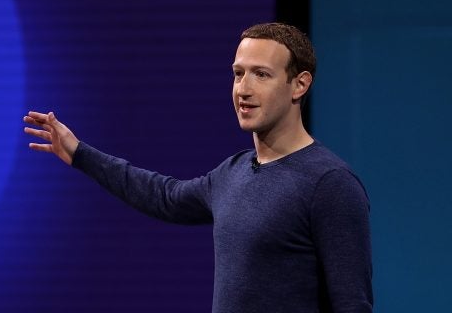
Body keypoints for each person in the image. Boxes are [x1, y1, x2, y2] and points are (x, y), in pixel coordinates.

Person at [23, 23, 373, 313]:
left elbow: (352, 305)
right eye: (238, 74)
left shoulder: (329, 184)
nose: (244, 89)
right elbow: (163, 195)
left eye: (261, 75)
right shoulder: (232, 172)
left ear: (299, 84)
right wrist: (80, 153)